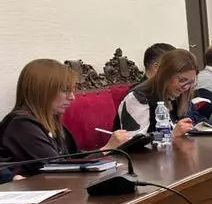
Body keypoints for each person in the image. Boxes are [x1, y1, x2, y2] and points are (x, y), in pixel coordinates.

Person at [0, 59, 129, 175]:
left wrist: (107, 149)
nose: (72, 97)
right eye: (65, 90)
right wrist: (107, 148)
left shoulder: (52, 122)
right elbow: (58, 167)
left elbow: (75, 157)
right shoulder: (22, 125)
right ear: (43, 92)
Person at [116, 49, 206, 137]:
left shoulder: (178, 94)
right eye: (182, 80)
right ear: (165, 75)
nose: (186, 87)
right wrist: (172, 135)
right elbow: (135, 142)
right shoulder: (138, 98)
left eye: (191, 82)